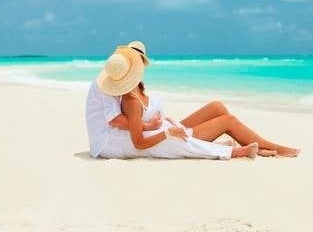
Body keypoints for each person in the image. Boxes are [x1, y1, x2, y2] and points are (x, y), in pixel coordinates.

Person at [85, 41, 300, 159]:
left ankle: (253, 144)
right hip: (112, 140)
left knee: (217, 107)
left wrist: (163, 124)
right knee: (228, 121)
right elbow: (118, 123)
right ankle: (274, 148)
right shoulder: (115, 89)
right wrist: (155, 126)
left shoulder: (131, 87)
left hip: (163, 129)